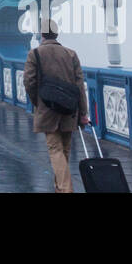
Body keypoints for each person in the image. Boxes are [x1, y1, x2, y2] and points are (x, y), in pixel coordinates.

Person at [23, 19, 89, 193]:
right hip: (69, 108)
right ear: (56, 34)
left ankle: (66, 189)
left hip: (47, 108)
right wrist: (83, 112)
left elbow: (29, 82)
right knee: (64, 149)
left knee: (55, 148)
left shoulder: (35, 54)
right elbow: (79, 86)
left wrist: (37, 102)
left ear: (42, 34)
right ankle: (59, 187)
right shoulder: (71, 54)